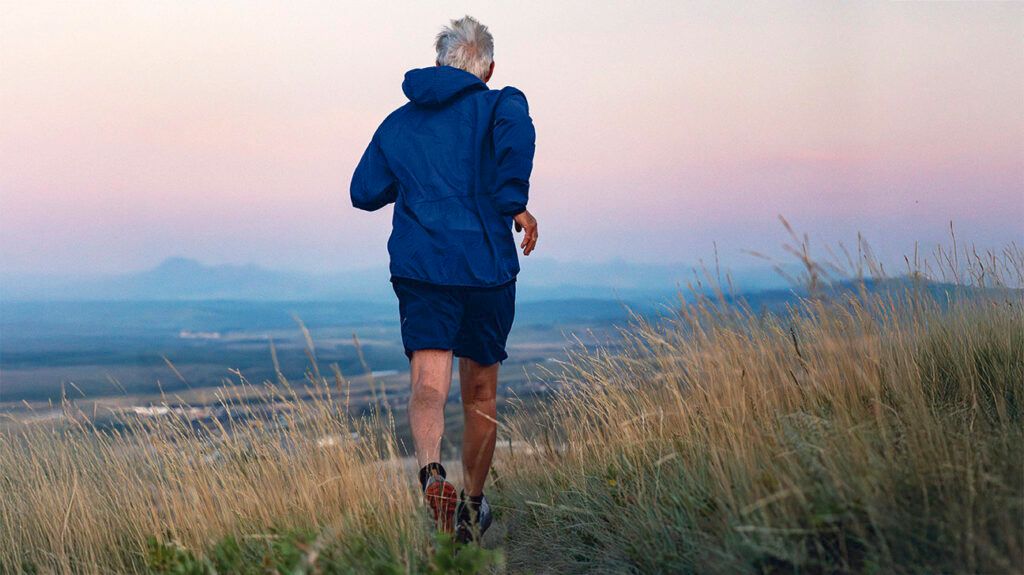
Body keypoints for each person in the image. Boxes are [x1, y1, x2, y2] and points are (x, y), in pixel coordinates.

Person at [349, 15, 537, 543]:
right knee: (480, 393)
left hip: (424, 267)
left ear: (438, 64)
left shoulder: (399, 123)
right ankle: (472, 508)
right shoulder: (503, 105)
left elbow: (364, 191)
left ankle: (432, 473)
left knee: (427, 385)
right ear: (489, 68)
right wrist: (514, 203)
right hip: (485, 267)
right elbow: (516, 144)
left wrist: (420, 180)